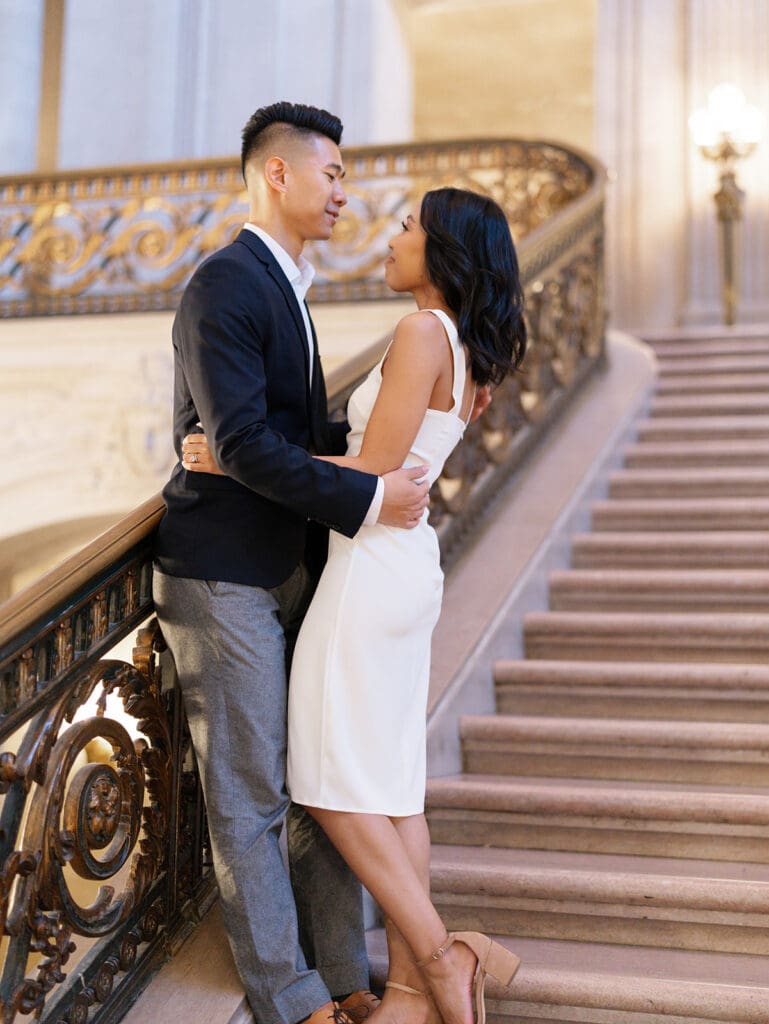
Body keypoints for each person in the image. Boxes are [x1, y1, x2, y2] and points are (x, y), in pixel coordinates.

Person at [185, 185, 527, 1024]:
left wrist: (232, 461)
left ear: (442, 252)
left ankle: (445, 958)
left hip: (371, 568)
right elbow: (389, 466)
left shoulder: (420, 330)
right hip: (398, 563)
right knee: (389, 787)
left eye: (408, 228)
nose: (391, 237)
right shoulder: (460, 345)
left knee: (329, 783)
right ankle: (413, 988)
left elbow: (373, 469)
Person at [153, 101, 433, 1024]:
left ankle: (348, 980)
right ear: (279, 174)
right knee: (251, 794)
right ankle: (292, 1000)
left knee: (316, 776)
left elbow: (270, 437)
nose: (346, 191)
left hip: (288, 564)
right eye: (334, 173)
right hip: (221, 568)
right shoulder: (224, 285)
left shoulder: (288, 284)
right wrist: (364, 495)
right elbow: (242, 441)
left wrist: (241, 448)